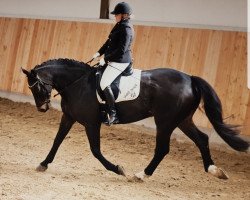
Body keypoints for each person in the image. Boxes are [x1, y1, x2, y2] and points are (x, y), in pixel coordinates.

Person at [91, 2, 134, 125]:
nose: (115, 16)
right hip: (114, 59)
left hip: (121, 61)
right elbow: (109, 42)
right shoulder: (119, 25)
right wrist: (99, 53)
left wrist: (106, 58)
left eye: (117, 14)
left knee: (104, 83)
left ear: (124, 15)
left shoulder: (127, 29)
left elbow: (121, 50)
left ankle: (113, 113)